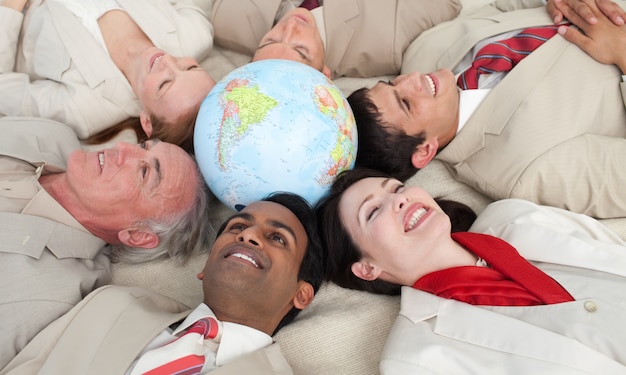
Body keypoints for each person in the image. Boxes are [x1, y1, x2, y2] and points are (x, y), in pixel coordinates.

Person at [316, 167, 626, 373]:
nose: (400, 200)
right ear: (367, 268)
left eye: (397, 188)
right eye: (372, 211)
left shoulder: (513, 215)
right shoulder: (414, 360)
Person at [347, 0, 626, 219]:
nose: (411, 79)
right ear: (424, 151)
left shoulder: (424, 49)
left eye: (392, 84)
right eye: (406, 103)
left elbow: (507, 7)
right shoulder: (524, 171)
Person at [1, 192, 325, 375]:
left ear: (302, 294)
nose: (248, 235)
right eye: (237, 226)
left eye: (277, 238)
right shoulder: (112, 304)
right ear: (204, 268)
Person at [0, 116, 212, 368]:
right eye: (144, 146)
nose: (122, 149)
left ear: (138, 235)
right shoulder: (52, 134)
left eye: (144, 172)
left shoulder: (45, 297)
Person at [0, 0, 216, 151]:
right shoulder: (196, 34)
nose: (168, 60)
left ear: (147, 122)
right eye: (190, 68)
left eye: (165, 83)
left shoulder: (82, 109)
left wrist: (10, 7)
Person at [211, 0, 462, 78]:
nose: (289, 28)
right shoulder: (388, 43)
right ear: (324, 73)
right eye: (300, 50)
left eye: (270, 42)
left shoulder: (226, 19)